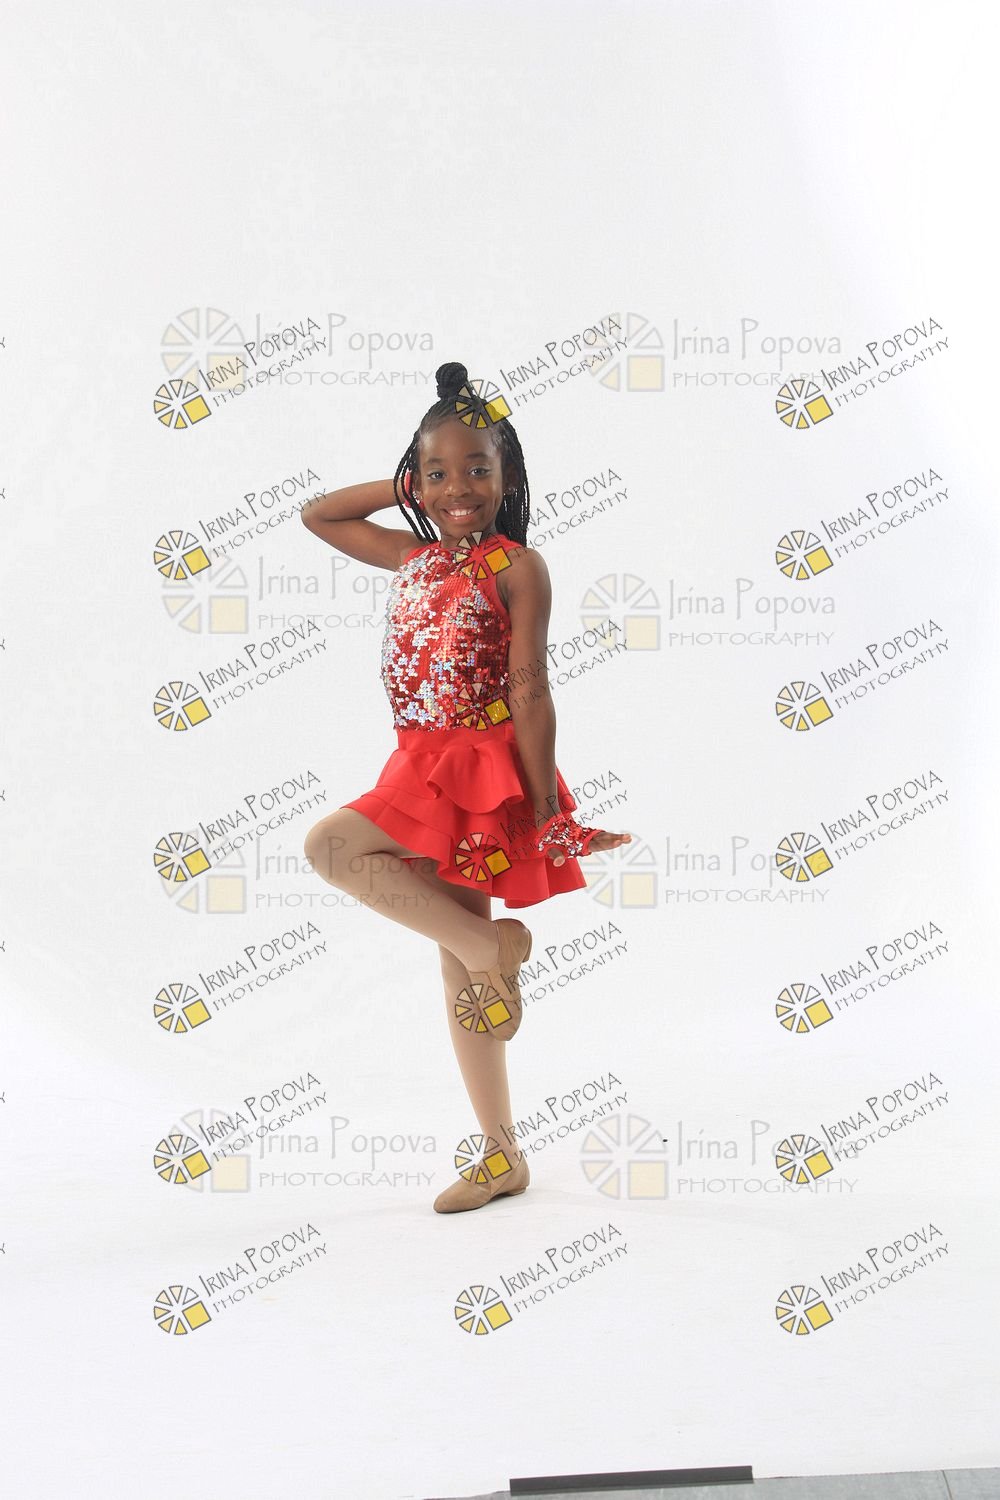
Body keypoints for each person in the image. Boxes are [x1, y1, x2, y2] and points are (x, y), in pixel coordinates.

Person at [301, 361, 632, 1214]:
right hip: (417, 762)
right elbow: (320, 514)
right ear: (417, 482)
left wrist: (548, 810)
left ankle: (492, 965)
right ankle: (501, 1147)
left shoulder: (515, 565)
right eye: (439, 474)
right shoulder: (410, 556)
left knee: (339, 853)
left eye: (477, 470)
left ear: (507, 477)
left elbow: (531, 691)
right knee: (451, 950)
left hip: (479, 764)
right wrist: (403, 485)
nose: (459, 489)